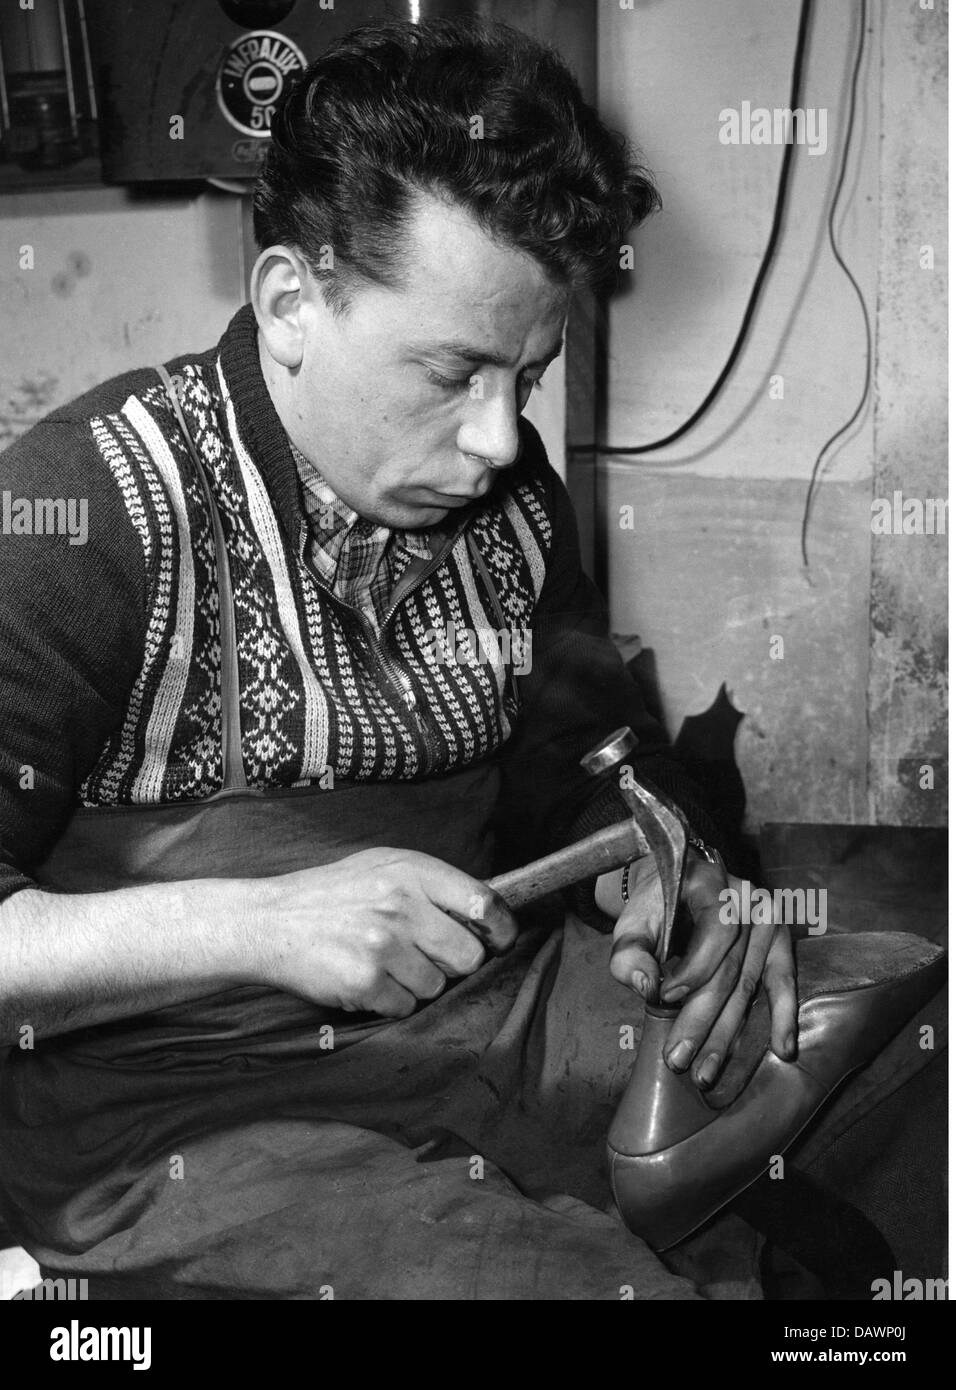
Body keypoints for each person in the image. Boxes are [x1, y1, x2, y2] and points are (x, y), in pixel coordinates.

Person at [0, 18, 939, 1301]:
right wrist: (260, 920)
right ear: (290, 303)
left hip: (484, 1021)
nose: (499, 437)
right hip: (181, 1113)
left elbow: (597, 763)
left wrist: (686, 875)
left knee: (912, 1042)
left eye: (528, 374)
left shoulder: (500, 499)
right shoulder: (88, 513)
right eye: (450, 372)